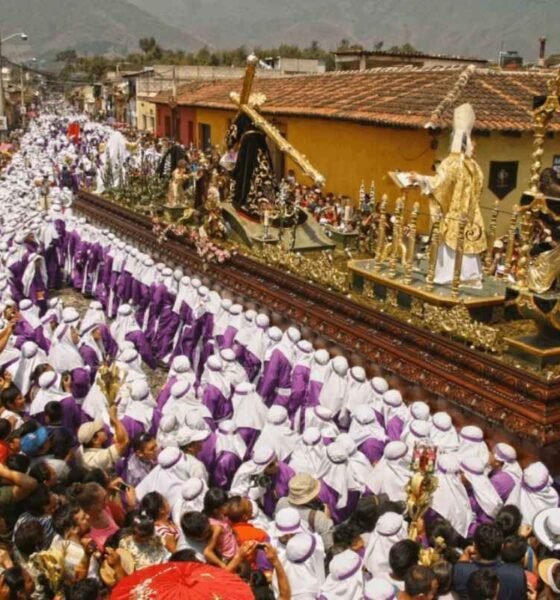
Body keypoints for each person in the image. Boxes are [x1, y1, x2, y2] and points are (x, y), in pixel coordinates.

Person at [411, 103, 487, 287]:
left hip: (453, 216)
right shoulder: (475, 167)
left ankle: (447, 277)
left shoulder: (451, 163)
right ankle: (470, 276)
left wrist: (419, 178)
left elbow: (439, 184)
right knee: (468, 245)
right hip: (470, 216)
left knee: (451, 247)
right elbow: (479, 188)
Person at [452, 523, 526, 600]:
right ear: (501, 547)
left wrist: (465, 554)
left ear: (474, 546)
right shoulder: (517, 574)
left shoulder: (459, 571)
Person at [76, 406, 129, 471]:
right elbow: (123, 442)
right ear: (95, 440)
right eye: (101, 430)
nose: (104, 430)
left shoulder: (80, 450)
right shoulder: (98, 459)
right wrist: (114, 418)